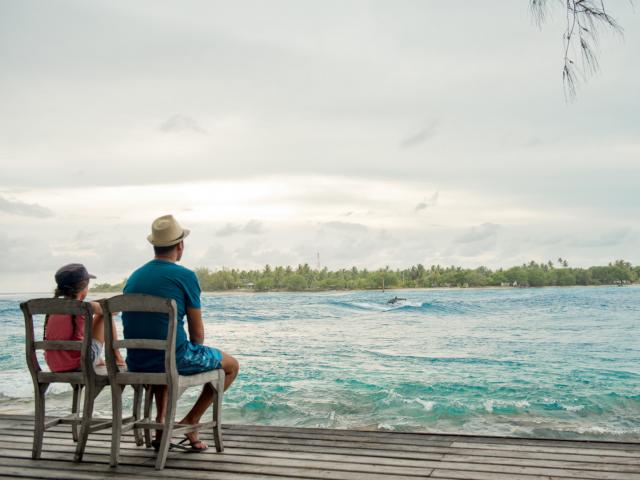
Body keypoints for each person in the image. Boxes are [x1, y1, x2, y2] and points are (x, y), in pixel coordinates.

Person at [122, 214, 239, 452]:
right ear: (180, 245)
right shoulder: (185, 276)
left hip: (137, 361)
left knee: (163, 354)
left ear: (154, 245)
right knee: (231, 365)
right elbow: (197, 334)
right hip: (171, 359)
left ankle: (161, 422)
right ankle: (191, 421)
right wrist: (197, 351)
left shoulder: (134, 277)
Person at [44, 263, 125, 372]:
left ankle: (98, 360)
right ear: (83, 287)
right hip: (79, 363)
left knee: (82, 337)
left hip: (54, 364)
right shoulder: (87, 307)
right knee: (105, 315)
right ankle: (118, 358)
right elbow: (111, 311)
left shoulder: (52, 308)